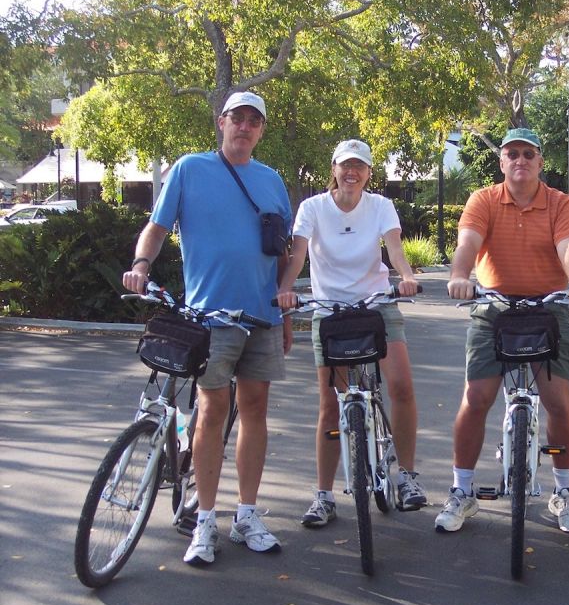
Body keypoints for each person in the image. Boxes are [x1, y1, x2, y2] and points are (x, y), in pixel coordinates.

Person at [123, 91, 293, 565]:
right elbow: (157, 228)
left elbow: (283, 252)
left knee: (255, 409)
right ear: (222, 122)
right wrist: (141, 265)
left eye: (254, 121)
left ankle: (246, 515)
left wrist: (285, 312)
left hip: (261, 315)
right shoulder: (190, 169)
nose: (245, 127)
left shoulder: (271, 180)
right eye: (237, 118)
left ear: (261, 130)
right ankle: (203, 520)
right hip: (210, 316)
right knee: (213, 410)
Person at [436, 128, 569, 535]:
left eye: (529, 154)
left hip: (548, 308)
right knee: (476, 398)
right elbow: (468, 243)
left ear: (540, 162)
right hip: (494, 308)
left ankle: (565, 491)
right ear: (502, 162)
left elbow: (568, 249)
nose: (520, 160)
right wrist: (459, 276)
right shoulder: (484, 200)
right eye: (513, 154)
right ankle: (461, 491)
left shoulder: (562, 203)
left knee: (558, 402)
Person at [276, 139, 427, 527]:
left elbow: (394, 248)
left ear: (368, 174)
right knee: (331, 405)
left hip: (376, 305)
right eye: (346, 165)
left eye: (359, 166)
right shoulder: (312, 208)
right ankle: (323, 495)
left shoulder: (379, 206)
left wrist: (406, 276)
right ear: (334, 168)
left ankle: (407, 476)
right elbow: (297, 254)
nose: (352, 172)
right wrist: (286, 289)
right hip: (329, 312)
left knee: (402, 387)